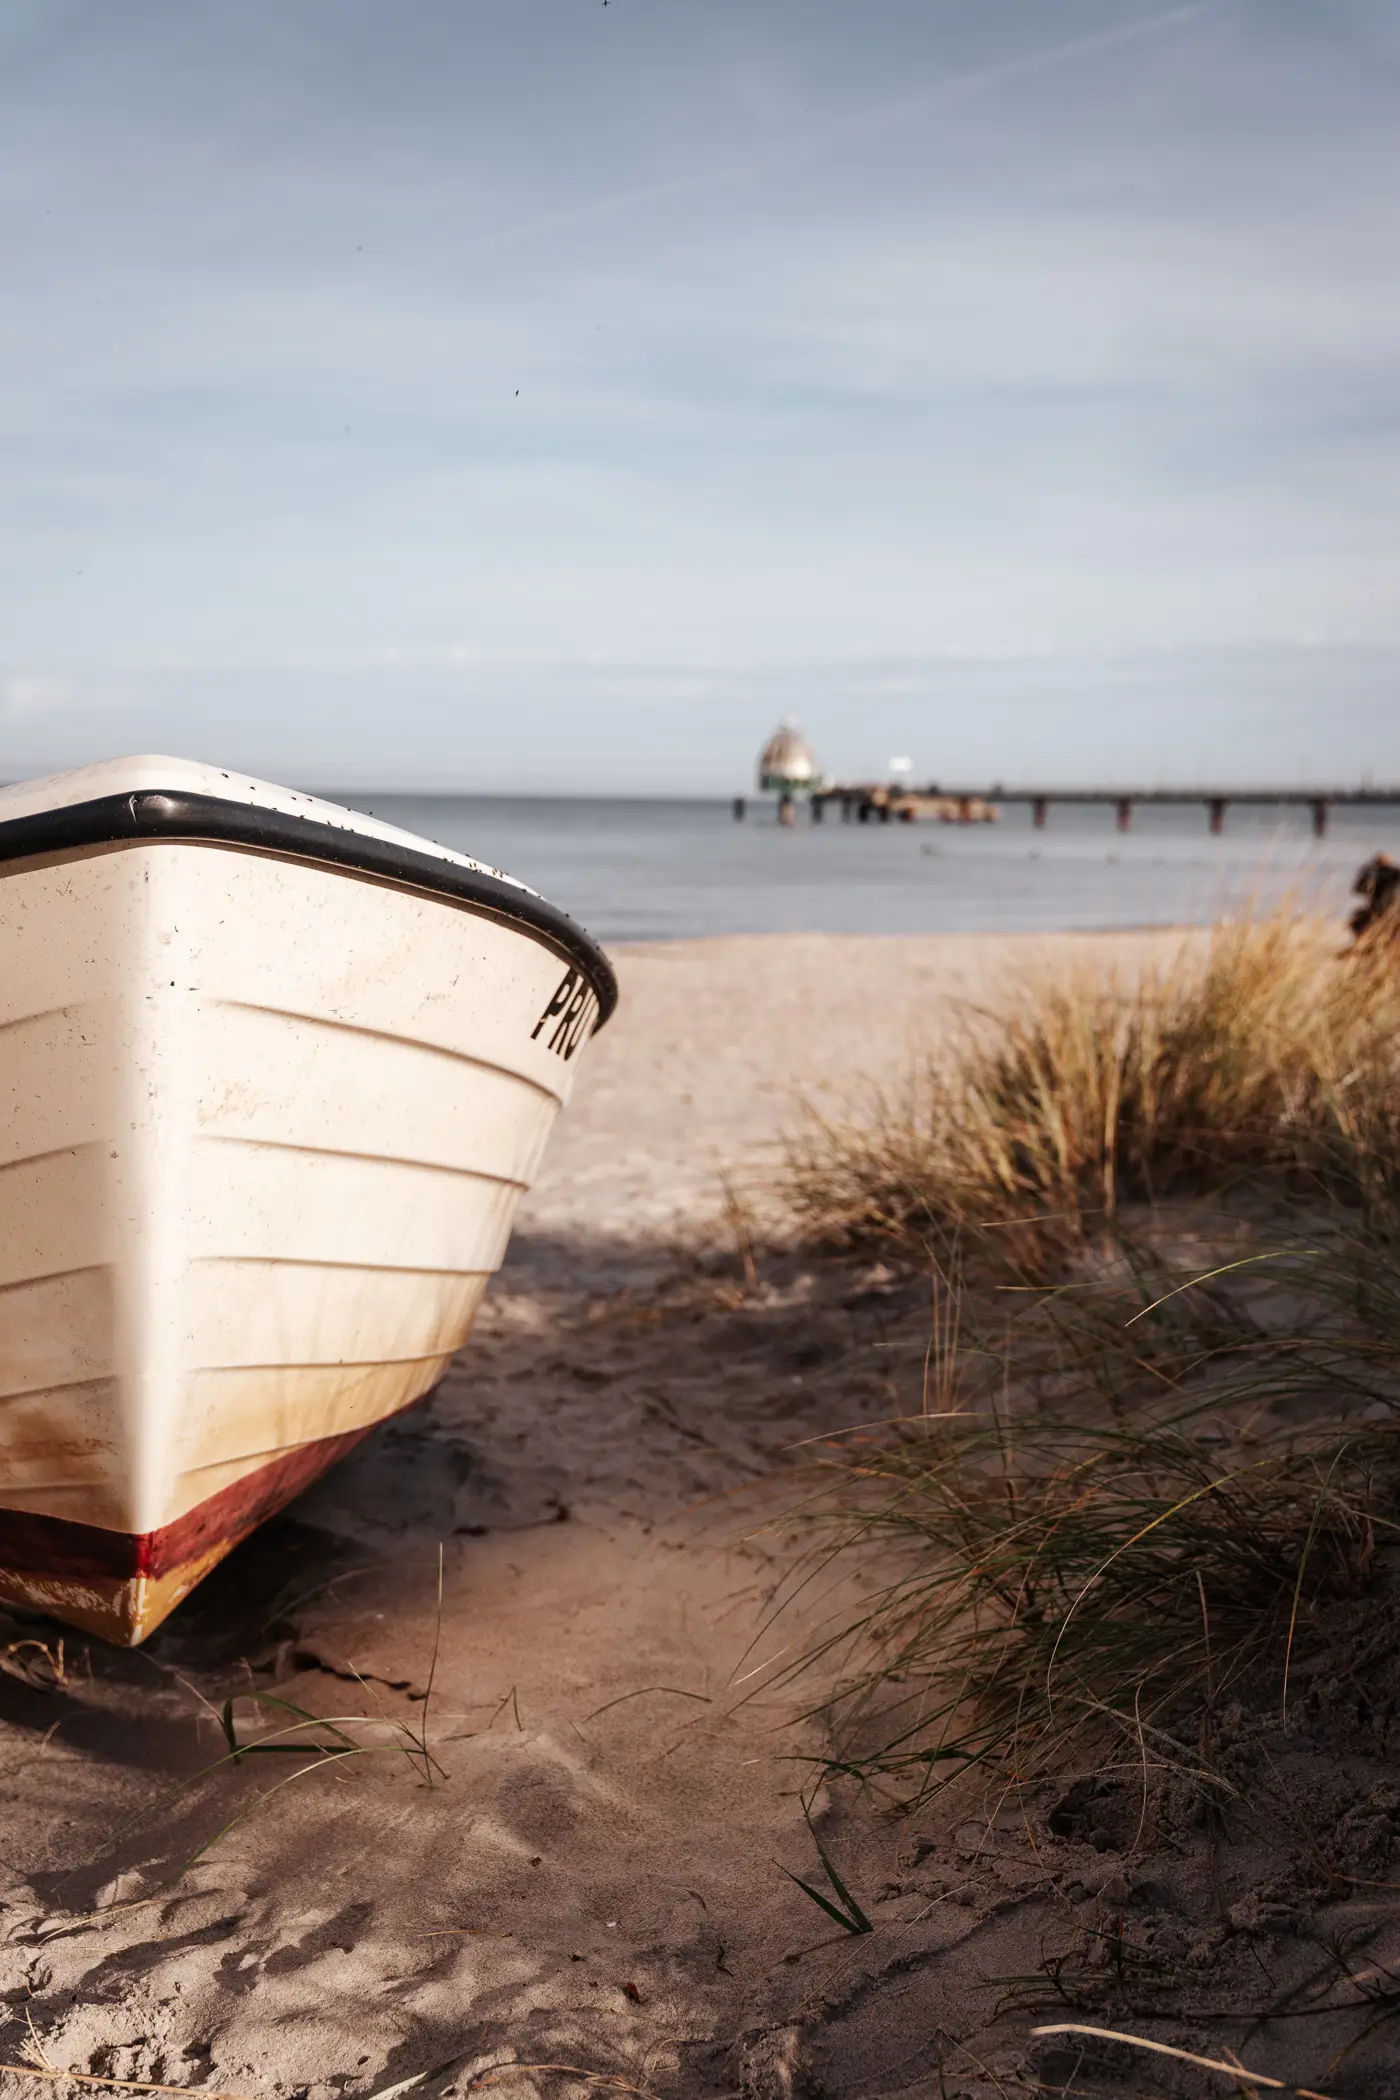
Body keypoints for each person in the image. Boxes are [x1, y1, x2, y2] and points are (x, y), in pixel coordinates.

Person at [1348, 852, 1400, 949]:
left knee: (1358, 921)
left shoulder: (1373, 873)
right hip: (1392, 911)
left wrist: (1368, 873)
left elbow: (1359, 889)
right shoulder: (1395, 873)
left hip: (1378, 911)